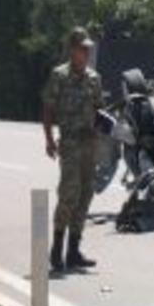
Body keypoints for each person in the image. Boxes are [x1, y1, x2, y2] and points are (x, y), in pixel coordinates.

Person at [43, 27, 104, 273]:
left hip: (91, 143)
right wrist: (48, 139)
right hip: (69, 142)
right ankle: (56, 249)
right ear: (72, 50)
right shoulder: (59, 76)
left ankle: (74, 250)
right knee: (69, 193)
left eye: (88, 49)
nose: (86, 52)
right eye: (82, 48)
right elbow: (48, 108)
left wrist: (107, 126)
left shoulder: (94, 78)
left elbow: (99, 109)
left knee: (86, 193)